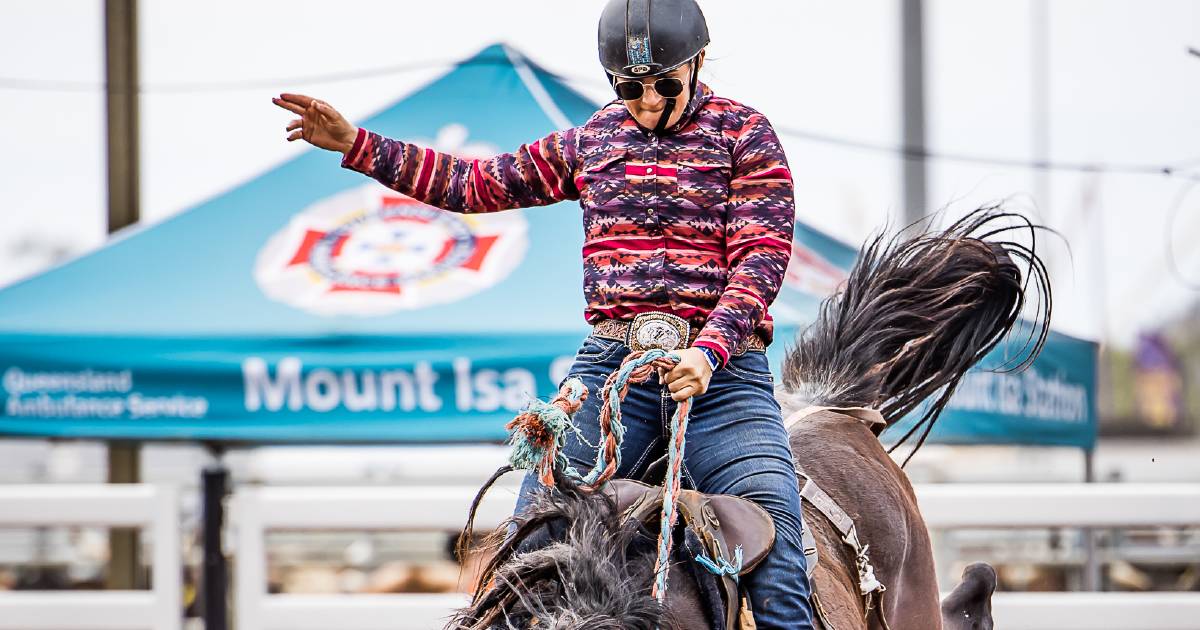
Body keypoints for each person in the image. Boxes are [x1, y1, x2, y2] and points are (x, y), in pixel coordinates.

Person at [273, 0, 814, 626]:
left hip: (723, 377)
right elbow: (473, 183)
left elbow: (761, 256)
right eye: (628, 86)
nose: (644, 100)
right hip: (615, 367)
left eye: (661, 84)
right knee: (529, 544)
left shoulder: (745, 135)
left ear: (696, 63)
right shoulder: (591, 140)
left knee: (779, 558)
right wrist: (358, 145)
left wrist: (710, 348)